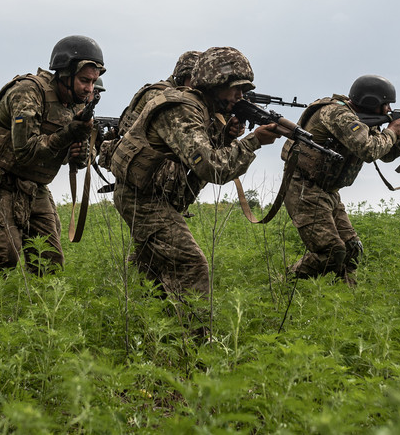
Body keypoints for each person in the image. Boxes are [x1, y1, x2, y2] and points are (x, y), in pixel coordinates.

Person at [110, 46, 280, 315]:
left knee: (151, 274)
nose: (240, 96)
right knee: (191, 263)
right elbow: (213, 168)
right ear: (214, 84)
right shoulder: (182, 108)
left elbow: (196, 154)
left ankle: (152, 330)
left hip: (157, 196)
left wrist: (226, 137)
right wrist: (254, 141)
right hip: (143, 199)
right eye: (235, 88)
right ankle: (197, 339)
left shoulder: (199, 108)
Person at [0, 35, 103, 289]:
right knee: (3, 256)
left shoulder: (76, 104)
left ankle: (41, 317)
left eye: (93, 82)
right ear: (64, 73)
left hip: (35, 186)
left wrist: (81, 152)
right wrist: (69, 133)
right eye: (84, 80)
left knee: (49, 262)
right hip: (0, 179)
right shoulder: (29, 91)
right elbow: (25, 150)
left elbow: (77, 160)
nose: (90, 89)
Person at [283, 75, 400, 284]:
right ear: (372, 101)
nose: (388, 109)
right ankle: (286, 284)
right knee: (332, 251)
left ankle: (346, 300)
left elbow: (386, 154)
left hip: (328, 191)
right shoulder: (338, 114)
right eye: (385, 104)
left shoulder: (359, 118)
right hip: (304, 188)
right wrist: (391, 132)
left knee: (352, 249)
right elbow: (369, 150)